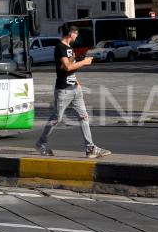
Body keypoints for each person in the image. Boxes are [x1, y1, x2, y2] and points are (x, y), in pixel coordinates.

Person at [36, 25, 111, 159]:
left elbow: (68, 69)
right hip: (64, 90)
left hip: (75, 89)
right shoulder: (60, 48)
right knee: (56, 118)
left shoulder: (69, 48)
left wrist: (77, 81)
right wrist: (84, 62)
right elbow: (67, 66)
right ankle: (41, 143)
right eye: (76, 33)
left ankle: (90, 148)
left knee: (84, 116)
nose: (77, 36)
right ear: (71, 33)